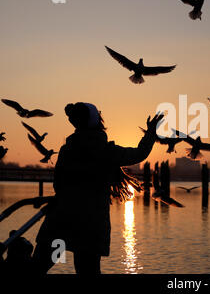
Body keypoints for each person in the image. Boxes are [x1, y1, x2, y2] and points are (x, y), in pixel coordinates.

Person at [32, 102, 163, 274]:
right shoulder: (106, 151)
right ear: (96, 122)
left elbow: (58, 184)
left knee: (39, 266)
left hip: (61, 220)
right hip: (89, 226)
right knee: (87, 270)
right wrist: (151, 133)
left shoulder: (67, 149)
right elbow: (139, 153)